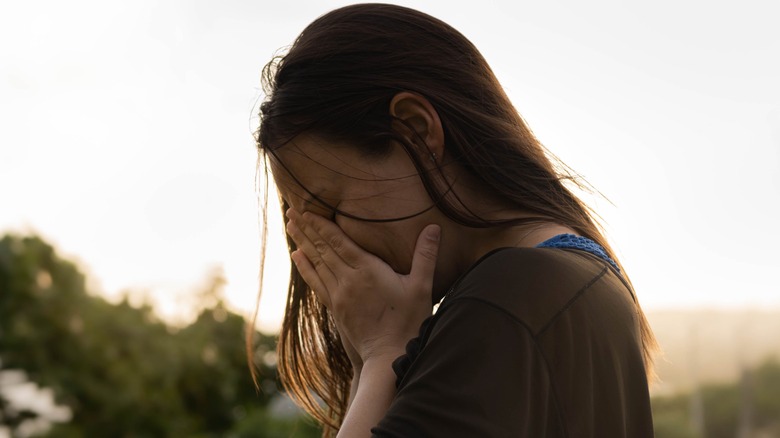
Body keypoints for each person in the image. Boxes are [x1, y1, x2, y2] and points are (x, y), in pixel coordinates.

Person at [253, 4, 657, 437]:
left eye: (330, 207)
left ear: (414, 130)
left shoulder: (505, 301)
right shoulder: (585, 276)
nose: (325, 244)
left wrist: (381, 355)